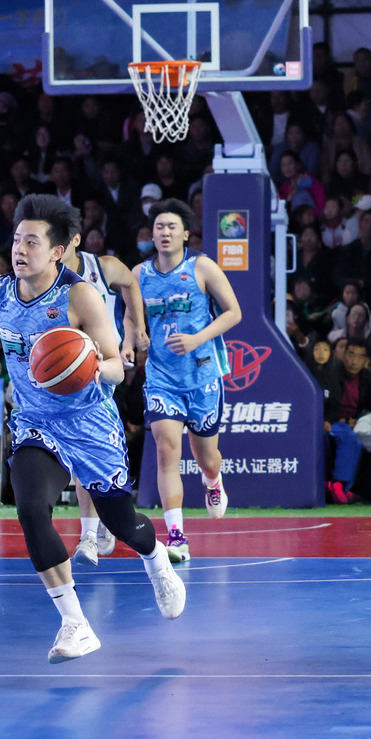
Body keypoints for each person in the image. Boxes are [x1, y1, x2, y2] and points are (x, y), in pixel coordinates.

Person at [0, 194, 184, 664]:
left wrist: (94, 367)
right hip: (35, 422)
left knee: (122, 524)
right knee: (32, 509)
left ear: (57, 251)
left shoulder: (79, 296)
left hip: (89, 422)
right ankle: (75, 623)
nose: (20, 249)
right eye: (17, 239)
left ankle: (156, 559)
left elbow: (116, 364)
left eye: (32, 242)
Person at [133, 198, 241, 562]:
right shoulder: (139, 275)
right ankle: (176, 536)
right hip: (161, 377)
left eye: (171, 227)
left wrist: (197, 338)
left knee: (206, 458)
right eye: (159, 227)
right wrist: (134, 337)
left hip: (202, 373)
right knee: (166, 450)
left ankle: (212, 481)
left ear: (185, 234)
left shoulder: (202, 267)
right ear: (152, 235)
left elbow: (234, 312)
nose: (164, 232)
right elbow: (130, 316)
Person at [61, 228, 146, 568]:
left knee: (105, 456)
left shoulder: (103, 266)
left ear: (74, 239)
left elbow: (131, 285)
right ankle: (89, 534)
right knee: (83, 453)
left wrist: (134, 330)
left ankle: (107, 519)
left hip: (110, 367)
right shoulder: (43, 277)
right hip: (73, 374)